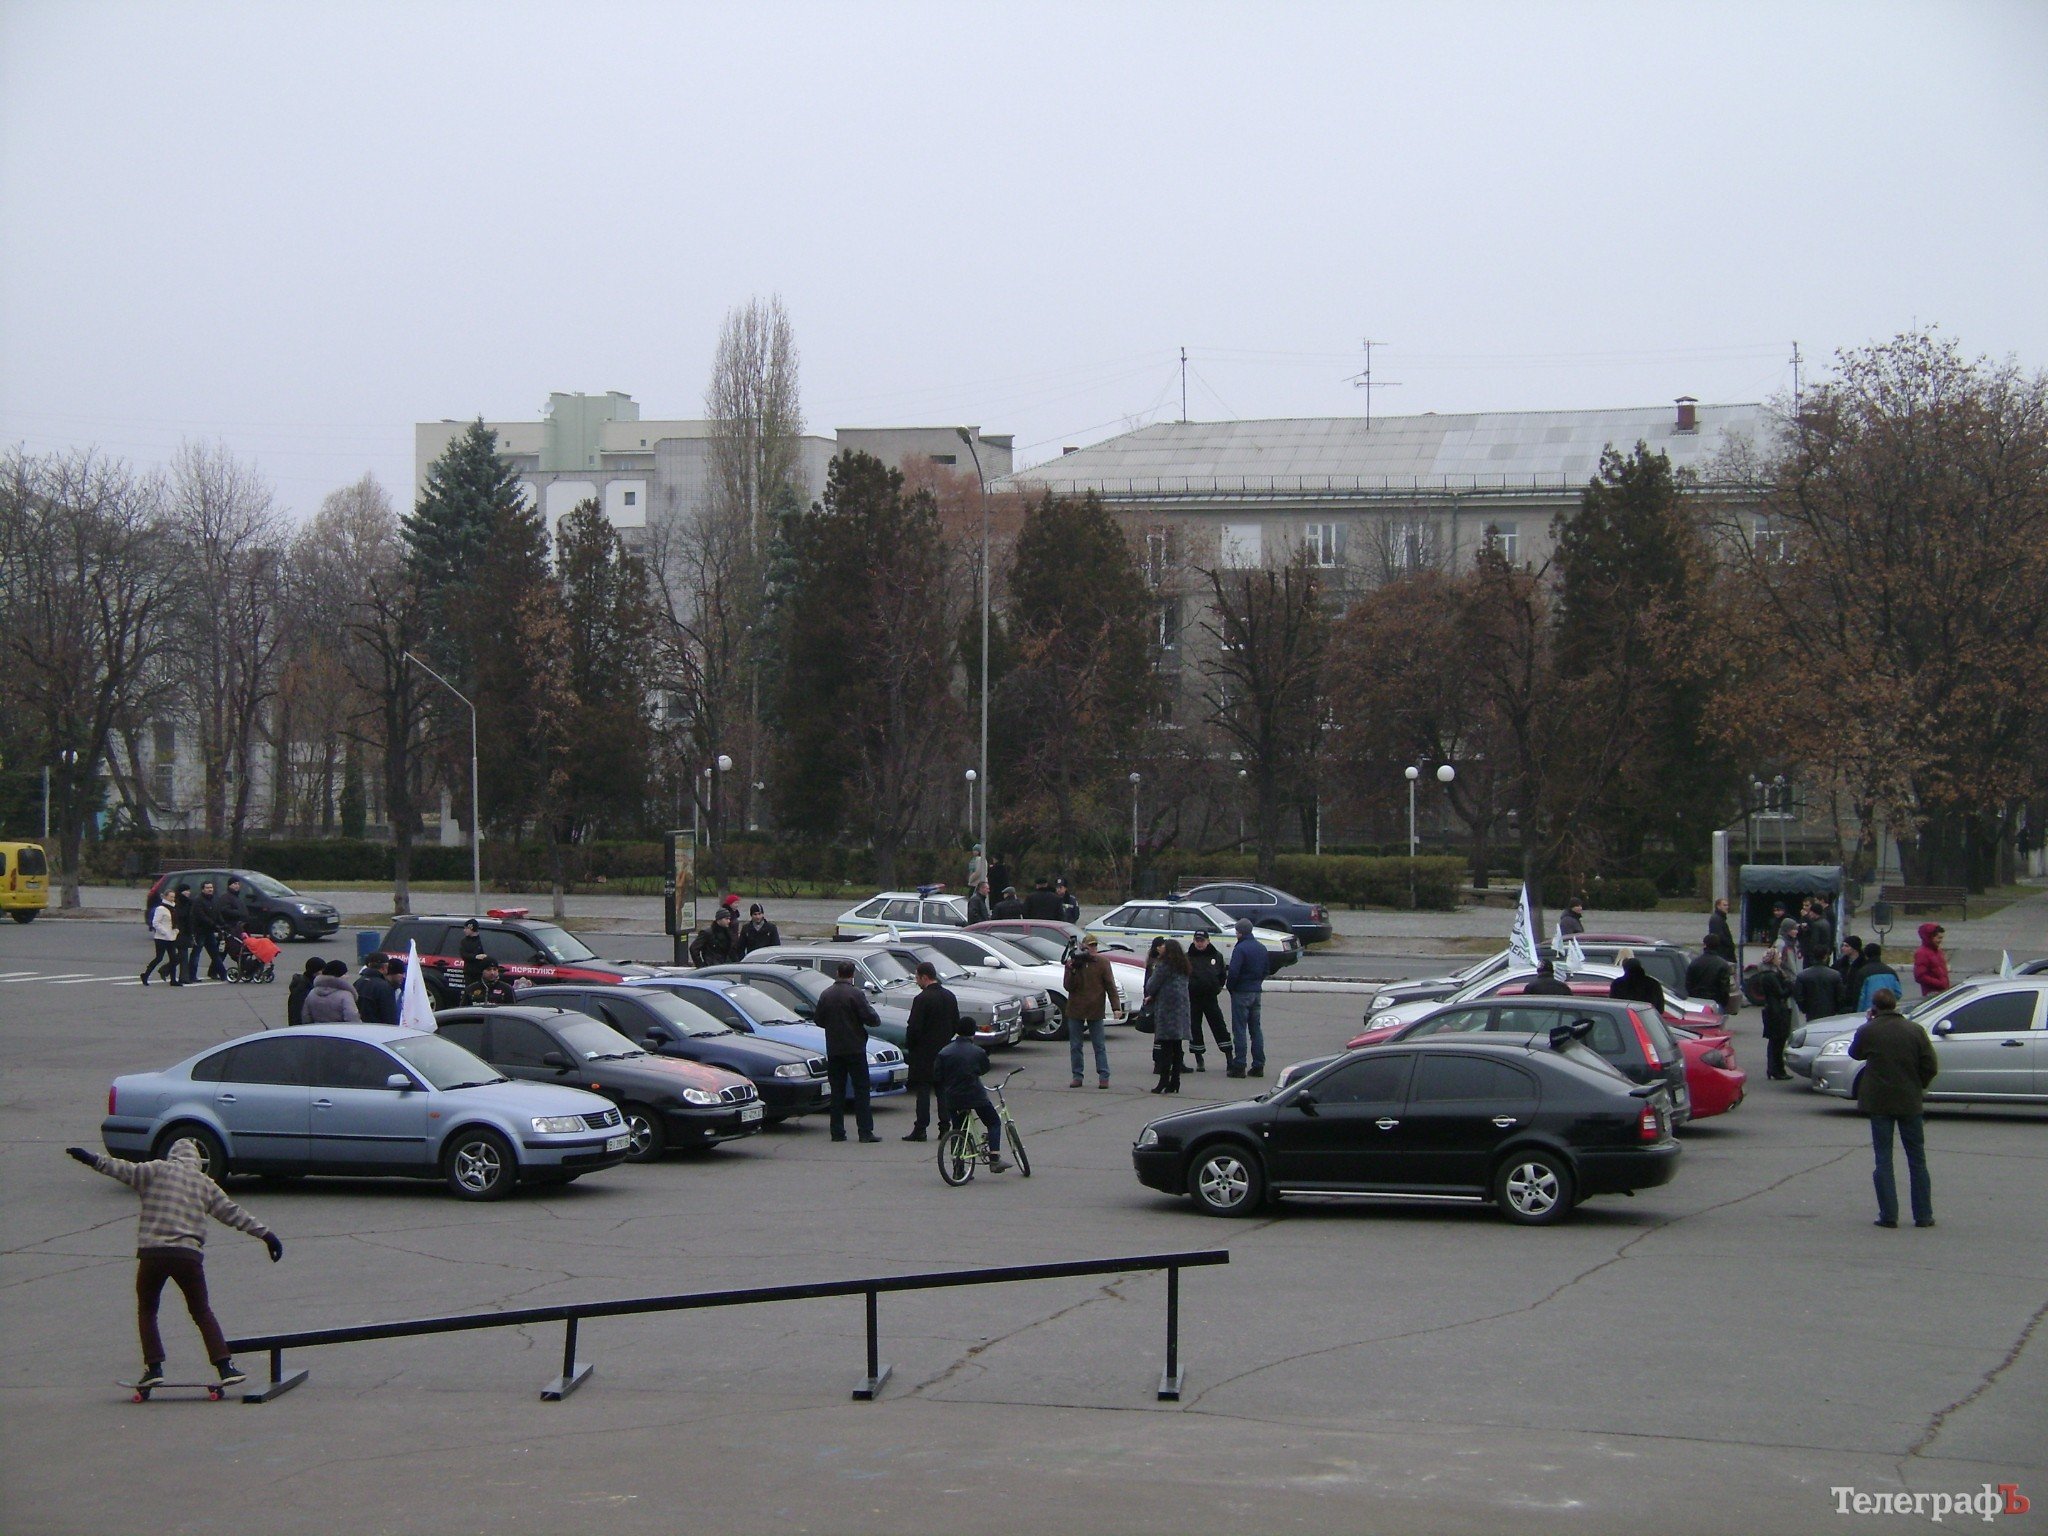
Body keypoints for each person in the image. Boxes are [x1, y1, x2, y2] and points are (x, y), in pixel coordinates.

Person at [64, 1138, 283, 1391]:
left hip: (153, 1255)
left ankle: (153, 1369)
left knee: (147, 1310)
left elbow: (120, 1168)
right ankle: (225, 1367)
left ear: (172, 1155)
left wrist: (90, 1158)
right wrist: (267, 1235)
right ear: (196, 1160)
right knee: (201, 1311)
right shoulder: (204, 1183)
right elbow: (233, 1212)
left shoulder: (155, 1170)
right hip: (187, 1257)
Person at [1848, 988, 1938, 1228]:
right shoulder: (1914, 1030)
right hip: (1909, 1100)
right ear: (1895, 1005)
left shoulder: (1869, 1030)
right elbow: (1930, 1065)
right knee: (1917, 1159)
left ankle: (1888, 1215)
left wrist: (1869, 1023)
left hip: (1879, 1102)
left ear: (1874, 1007)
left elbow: (1855, 1053)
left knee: (1883, 1159)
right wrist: (1919, 1083)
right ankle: (1923, 1215)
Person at [815, 961, 881, 1142]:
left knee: (837, 1091)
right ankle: (865, 1132)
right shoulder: (856, 994)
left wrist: (833, 1026)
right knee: (861, 1090)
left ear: (837, 973)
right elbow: (871, 1018)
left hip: (834, 1048)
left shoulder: (826, 994)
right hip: (855, 1048)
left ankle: (837, 1132)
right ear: (852, 976)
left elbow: (819, 1019)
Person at [934, 1016, 1008, 1172]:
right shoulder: (978, 1051)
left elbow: (938, 1075)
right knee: (993, 1122)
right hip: (975, 1095)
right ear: (973, 1032)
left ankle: (958, 1169)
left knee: (958, 1128)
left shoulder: (944, 1052)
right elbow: (984, 1069)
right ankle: (994, 1158)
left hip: (952, 1097)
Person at [901, 961, 959, 1141]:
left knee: (923, 1090)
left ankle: (921, 1128)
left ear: (924, 977)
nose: (916, 981)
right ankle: (945, 1127)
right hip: (945, 1050)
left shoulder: (922, 999)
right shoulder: (949, 996)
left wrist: (911, 1046)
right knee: (942, 1090)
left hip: (924, 1053)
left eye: (917, 977)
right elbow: (955, 1023)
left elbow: (914, 1028)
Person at [1062, 934, 1116, 1089]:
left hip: (1095, 1008)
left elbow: (1110, 985)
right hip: (1076, 1008)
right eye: (1089, 946)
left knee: (1099, 1045)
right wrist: (1072, 970)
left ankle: (1104, 1076)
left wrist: (1116, 1007)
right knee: (1075, 1045)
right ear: (1082, 947)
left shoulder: (1103, 962)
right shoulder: (1074, 962)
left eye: (1094, 946)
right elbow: (1068, 986)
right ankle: (1077, 1076)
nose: (1093, 949)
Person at [1145, 938, 1192, 1095]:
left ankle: (1163, 1081)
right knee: (1177, 1047)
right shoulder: (1184, 966)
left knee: (1165, 1048)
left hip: (1167, 1010)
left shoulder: (1164, 965)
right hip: (1181, 1010)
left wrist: (1152, 994)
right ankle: (1175, 1081)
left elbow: (1151, 985)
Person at [1226, 919, 1270, 1079]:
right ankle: (1258, 1065)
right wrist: (1257, 982)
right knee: (1255, 1029)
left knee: (1239, 1029)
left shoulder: (1240, 948)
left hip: (1241, 991)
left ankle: (1239, 1065)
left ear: (1240, 932)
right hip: (1256, 991)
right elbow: (1266, 969)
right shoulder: (1261, 947)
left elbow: (1233, 972)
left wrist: (1231, 987)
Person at [1743, 956, 1795, 1079]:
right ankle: (1777, 1070)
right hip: (1777, 1011)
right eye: (1778, 958)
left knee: (1774, 1042)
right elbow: (1781, 993)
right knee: (1778, 1042)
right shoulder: (1771, 976)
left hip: (1772, 1010)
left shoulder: (1766, 975)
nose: (1780, 960)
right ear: (1773, 960)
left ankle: (1773, 1068)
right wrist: (1789, 987)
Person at [1185, 930, 1230, 1071]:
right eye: (1197, 940)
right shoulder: (1187, 957)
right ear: (1193, 941)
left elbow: (1222, 975)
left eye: (1202, 940)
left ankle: (1229, 1058)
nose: (1199, 943)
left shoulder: (1216, 956)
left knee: (1219, 1026)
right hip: (1193, 999)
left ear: (1208, 941)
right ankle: (1199, 1059)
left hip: (1210, 998)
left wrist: (1217, 988)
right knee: (1195, 1028)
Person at [186, 879, 225, 983]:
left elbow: (217, 913)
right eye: (207, 888)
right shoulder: (198, 900)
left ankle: (223, 974)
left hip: (209, 931)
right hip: (199, 931)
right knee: (196, 954)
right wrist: (214, 924)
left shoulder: (215, 899)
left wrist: (222, 924)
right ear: (202, 889)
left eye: (211, 887)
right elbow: (201, 916)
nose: (210, 889)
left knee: (215, 953)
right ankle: (192, 976)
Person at [1685, 941, 1735, 1015]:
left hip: (1697, 1000)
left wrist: (1692, 996)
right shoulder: (1722, 964)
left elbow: (1688, 983)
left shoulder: (1695, 962)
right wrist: (1724, 1001)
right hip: (1715, 1001)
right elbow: (1724, 987)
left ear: (1705, 945)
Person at [1853, 943, 1906, 1012]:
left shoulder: (1863, 972)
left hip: (1869, 1011)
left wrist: (1858, 1012)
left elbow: (1860, 997)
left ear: (1866, 956)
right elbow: (1898, 993)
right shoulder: (1890, 971)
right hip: (1888, 1011)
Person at [1792, 956, 1845, 1023]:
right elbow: (1841, 995)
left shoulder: (1802, 976)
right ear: (1825, 957)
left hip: (1811, 1013)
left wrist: (1804, 1009)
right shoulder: (1835, 975)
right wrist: (1837, 1008)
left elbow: (1799, 996)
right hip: (1831, 1012)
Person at [141, 896, 179, 987]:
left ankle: (173, 980)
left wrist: (176, 930)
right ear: (166, 897)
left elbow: (175, 922)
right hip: (161, 938)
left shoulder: (174, 908)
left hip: (172, 937)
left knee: (173, 958)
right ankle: (145, 975)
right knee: (159, 958)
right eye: (170, 896)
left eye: (173, 896)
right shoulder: (161, 908)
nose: (172, 898)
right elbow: (155, 923)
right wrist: (164, 932)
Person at [355, 955, 400, 1025]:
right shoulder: (384, 987)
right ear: (385, 967)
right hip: (377, 1028)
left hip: (359, 1026)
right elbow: (389, 1016)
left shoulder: (358, 982)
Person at [1911, 923, 1951, 998]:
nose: (1941, 941)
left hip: (1943, 991)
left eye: (1942, 938)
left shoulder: (1937, 951)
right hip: (1932, 993)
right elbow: (1920, 976)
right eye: (1939, 938)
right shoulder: (1922, 953)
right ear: (1930, 937)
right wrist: (1940, 983)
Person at [286, 955, 324, 1026]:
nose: (323, 973)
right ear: (314, 971)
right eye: (321, 970)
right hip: (302, 1027)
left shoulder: (308, 983)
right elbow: (298, 1013)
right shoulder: (303, 988)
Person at [1799, 900, 1834, 969]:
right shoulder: (1825, 922)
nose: (1809, 914)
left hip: (1815, 956)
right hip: (1824, 954)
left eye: (1810, 912)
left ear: (1814, 912)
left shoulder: (1816, 925)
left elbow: (1814, 941)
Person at [458, 919, 487, 998]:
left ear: (472, 928)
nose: (464, 930)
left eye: (466, 928)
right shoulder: (464, 941)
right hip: (469, 973)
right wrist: (476, 957)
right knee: (469, 993)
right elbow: (463, 955)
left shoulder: (482, 940)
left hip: (481, 972)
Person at [1706, 897, 1736, 963]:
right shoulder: (1716, 919)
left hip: (1724, 953)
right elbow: (1719, 936)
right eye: (1724, 905)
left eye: (1727, 905)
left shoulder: (1720, 918)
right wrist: (1730, 944)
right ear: (1718, 906)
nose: (1727, 907)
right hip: (1723, 954)